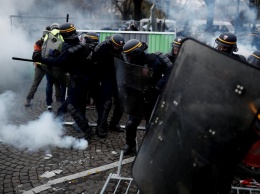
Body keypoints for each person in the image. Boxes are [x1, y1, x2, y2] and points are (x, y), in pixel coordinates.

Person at [33, 22, 95, 140]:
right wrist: (59, 55)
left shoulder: (70, 50)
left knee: (71, 106)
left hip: (78, 81)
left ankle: (87, 131)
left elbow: (58, 62)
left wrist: (40, 58)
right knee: (74, 104)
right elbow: (65, 58)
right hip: (83, 79)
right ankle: (56, 123)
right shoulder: (81, 44)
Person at [121, 39, 173, 155]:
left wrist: (159, 86)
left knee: (151, 126)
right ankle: (130, 145)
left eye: (129, 55)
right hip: (138, 97)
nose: (127, 58)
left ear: (136, 53)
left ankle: (150, 149)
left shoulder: (155, 59)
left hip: (152, 97)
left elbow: (170, 69)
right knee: (130, 125)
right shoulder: (132, 62)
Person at [92, 33, 125, 138]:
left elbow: (123, 62)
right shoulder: (102, 48)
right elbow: (93, 62)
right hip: (104, 77)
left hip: (116, 77)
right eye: (116, 46)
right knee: (106, 103)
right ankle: (100, 126)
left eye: (119, 47)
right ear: (111, 43)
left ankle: (114, 123)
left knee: (121, 101)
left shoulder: (119, 50)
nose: (117, 48)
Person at [43, 23, 67, 111]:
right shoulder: (61, 34)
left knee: (49, 84)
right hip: (58, 65)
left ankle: (49, 103)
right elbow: (64, 48)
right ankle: (63, 102)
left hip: (47, 65)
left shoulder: (47, 36)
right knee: (63, 84)